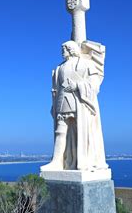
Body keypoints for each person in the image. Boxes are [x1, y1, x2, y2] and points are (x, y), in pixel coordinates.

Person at [41, 40, 108, 171]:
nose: (62, 51)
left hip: (79, 103)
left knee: (80, 131)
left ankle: (82, 160)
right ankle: (57, 161)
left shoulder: (85, 64)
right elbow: (56, 87)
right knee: (60, 131)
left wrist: (77, 85)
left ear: (71, 49)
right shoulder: (59, 68)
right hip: (62, 101)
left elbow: (94, 85)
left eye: (64, 49)